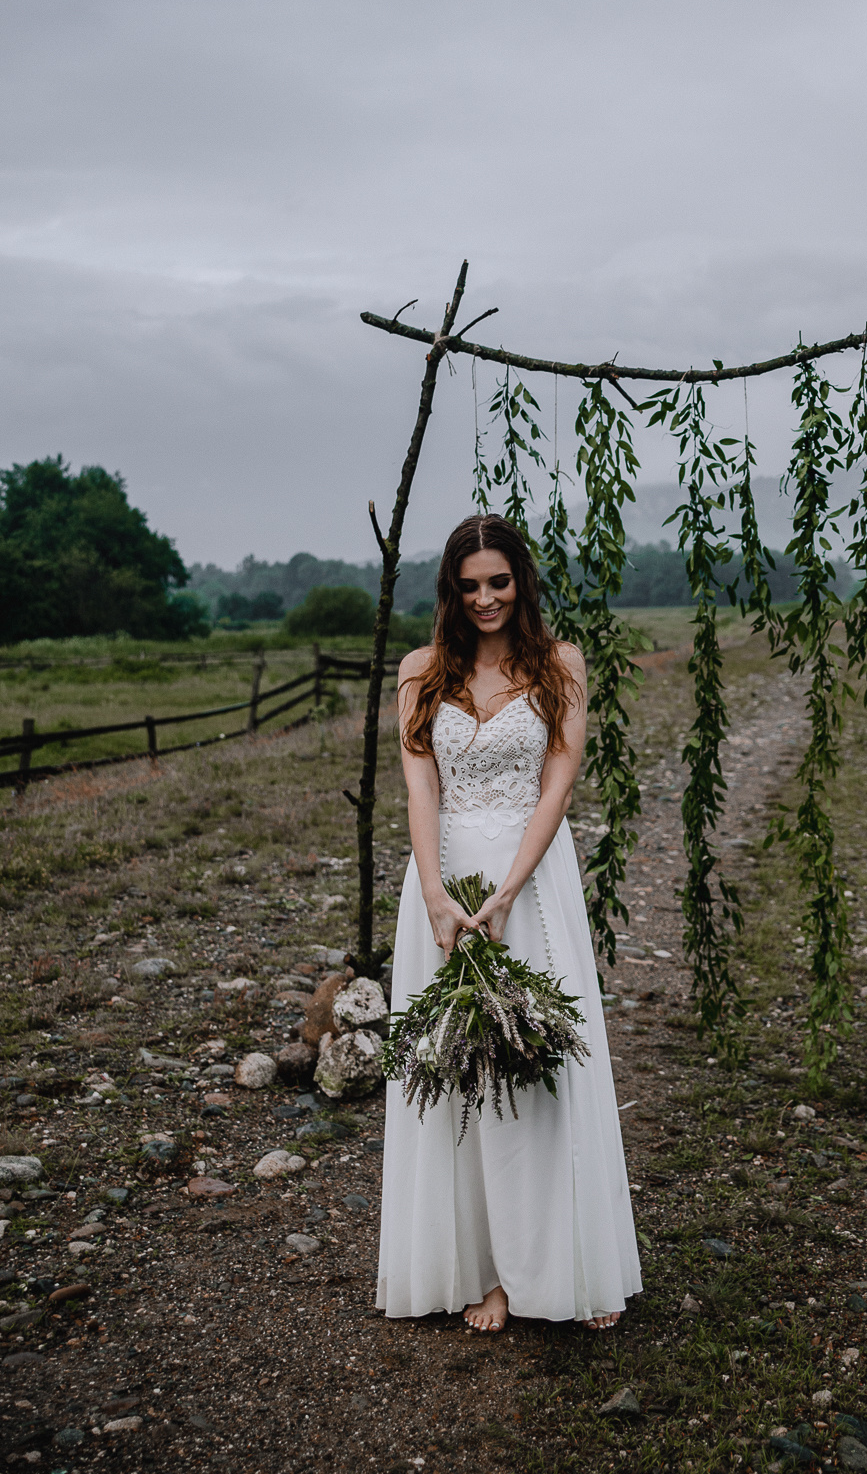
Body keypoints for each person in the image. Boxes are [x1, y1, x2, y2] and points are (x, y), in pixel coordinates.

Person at [376, 512, 642, 1334]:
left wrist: (508, 892)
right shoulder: (422, 670)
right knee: (460, 1076)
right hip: (446, 883)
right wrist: (435, 897)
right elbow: (422, 789)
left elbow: (557, 788)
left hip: (530, 883)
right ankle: (485, 1273)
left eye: (499, 581)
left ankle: (568, 1264)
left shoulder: (560, 664)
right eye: (469, 586)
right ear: (451, 593)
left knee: (545, 1064)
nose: (486, 598)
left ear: (520, 580)